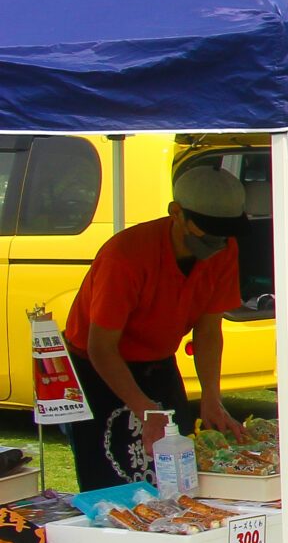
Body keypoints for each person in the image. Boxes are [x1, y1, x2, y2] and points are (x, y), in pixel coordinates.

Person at [61, 163, 251, 491]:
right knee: (111, 477)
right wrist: (144, 410)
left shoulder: (224, 250)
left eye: (225, 234)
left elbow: (208, 332)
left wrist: (211, 396)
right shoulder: (125, 257)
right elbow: (100, 348)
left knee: (177, 473)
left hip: (159, 362)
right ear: (176, 213)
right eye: (206, 231)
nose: (217, 243)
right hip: (97, 368)